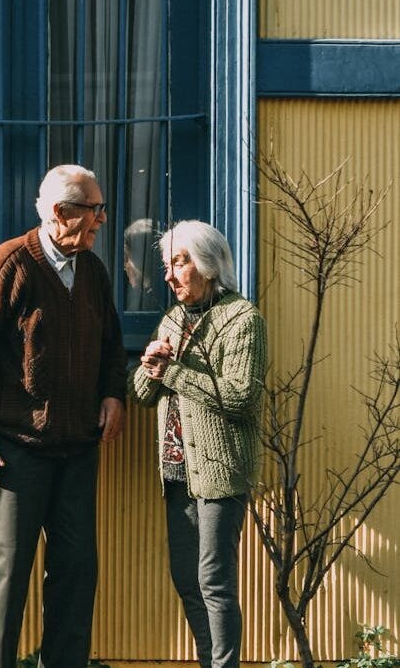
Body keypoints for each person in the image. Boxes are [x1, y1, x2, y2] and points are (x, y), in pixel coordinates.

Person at [0, 164, 127, 668]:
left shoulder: (92, 270)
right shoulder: (11, 264)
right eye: (94, 211)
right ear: (60, 212)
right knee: (7, 577)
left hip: (77, 448)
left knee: (76, 575)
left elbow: (111, 345)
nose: (101, 222)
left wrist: (114, 394)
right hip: (14, 452)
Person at [130, 220, 267, 668]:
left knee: (214, 580)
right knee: (186, 578)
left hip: (219, 469)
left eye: (179, 263)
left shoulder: (242, 319)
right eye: (166, 265)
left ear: (207, 265)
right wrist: (150, 363)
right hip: (176, 470)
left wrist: (170, 372)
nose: (169, 275)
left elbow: (242, 396)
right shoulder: (173, 318)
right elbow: (144, 392)